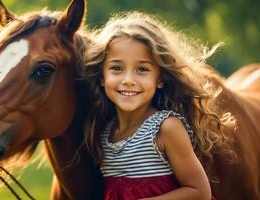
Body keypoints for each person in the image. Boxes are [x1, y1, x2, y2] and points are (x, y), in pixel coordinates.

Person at [83, 12, 235, 200]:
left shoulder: (166, 128)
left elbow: (199, 192)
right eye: (116, 68)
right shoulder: (105, 132)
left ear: (160, 78)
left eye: (142, 69)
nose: (128, 80)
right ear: (101, 77)